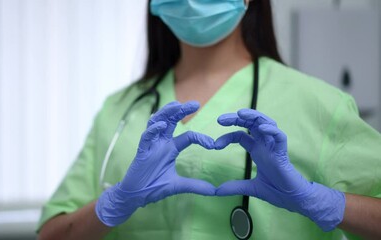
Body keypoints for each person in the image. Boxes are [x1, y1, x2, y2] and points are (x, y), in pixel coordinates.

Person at [37, 0, 381, 239]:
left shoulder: (318, 104)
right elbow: (52, 234)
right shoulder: (121, 109)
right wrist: (116, 203)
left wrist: (321, 202)